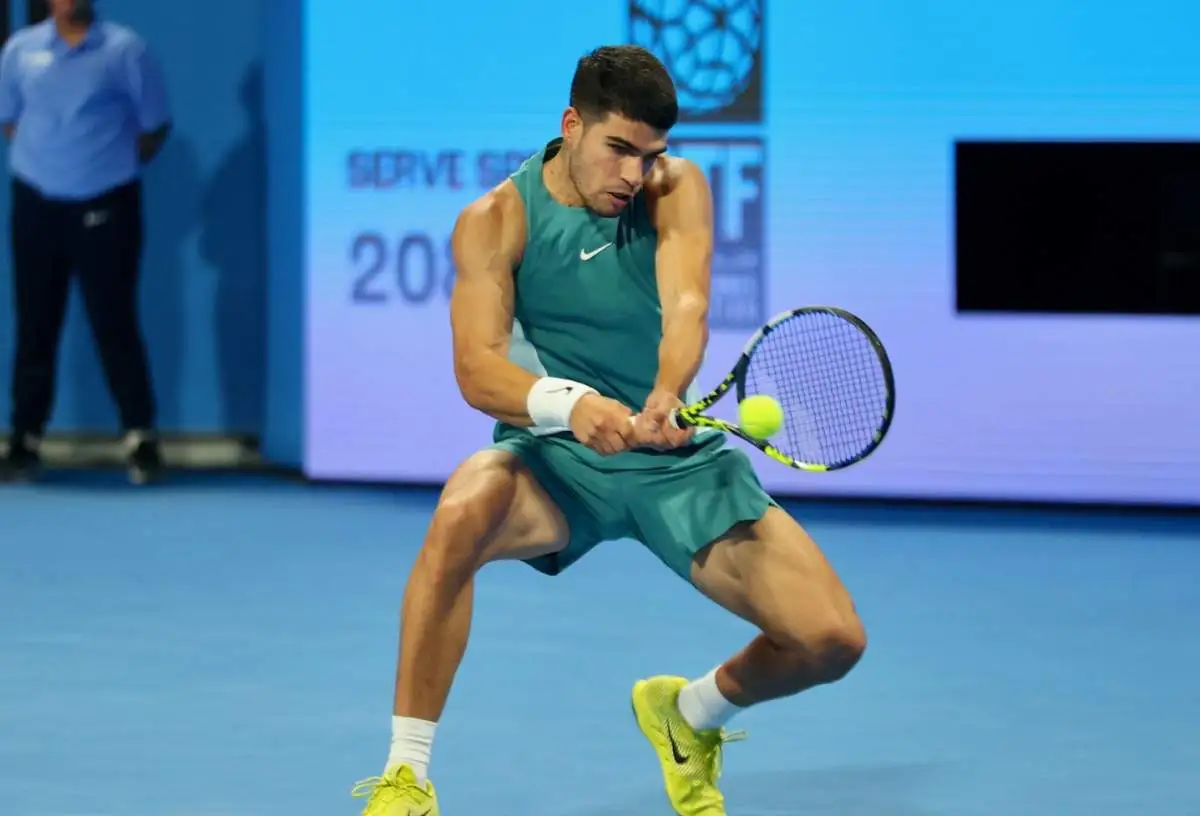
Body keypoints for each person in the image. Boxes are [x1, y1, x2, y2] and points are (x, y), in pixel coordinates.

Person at [352, 45, 867, 816]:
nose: (633, 173)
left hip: (673, 465)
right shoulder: (495, 221)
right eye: (618, 149)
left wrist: (665, 393)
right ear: (572, 126)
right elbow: (477, 372)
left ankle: (689, 716)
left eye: (648, 154)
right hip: (556, 462)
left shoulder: (674, 188)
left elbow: (688, 304)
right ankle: (407, 777)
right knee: (460, 511)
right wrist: (570, 407)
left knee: (832, 641)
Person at [0, 0, 170, 484]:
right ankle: (24, 439)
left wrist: (101, 166)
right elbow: (10, 121)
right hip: (35, 204)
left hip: (107, 205)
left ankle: (140, 436)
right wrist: (52, 166)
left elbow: (154, 128)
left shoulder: (126, 50)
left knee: (113, 320)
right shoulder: (19, 50)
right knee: (35, 323)